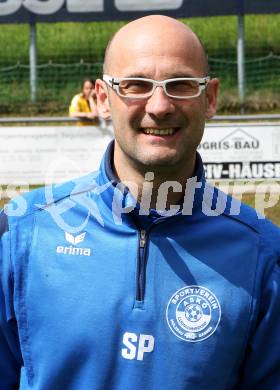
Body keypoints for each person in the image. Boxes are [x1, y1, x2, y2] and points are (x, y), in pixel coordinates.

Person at [1, 15, 280, 390]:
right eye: (136, 85)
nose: (160, 105)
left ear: (210, 98)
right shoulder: (20, 234)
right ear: (102, 99)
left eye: (180, 85)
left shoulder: (263, 254)